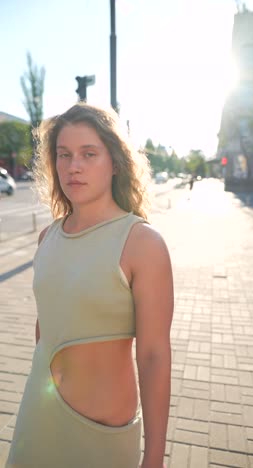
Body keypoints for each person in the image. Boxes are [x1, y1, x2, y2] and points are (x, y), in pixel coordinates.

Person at [5, 103, 173, 468]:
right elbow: (45, 325)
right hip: (39, 413)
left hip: (101, 435)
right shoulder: (48, 236)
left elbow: (154, 354)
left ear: (114, 161)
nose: (73, 166)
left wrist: (155, 455)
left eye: (88, 154)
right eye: (63, 155)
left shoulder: (142, 243)